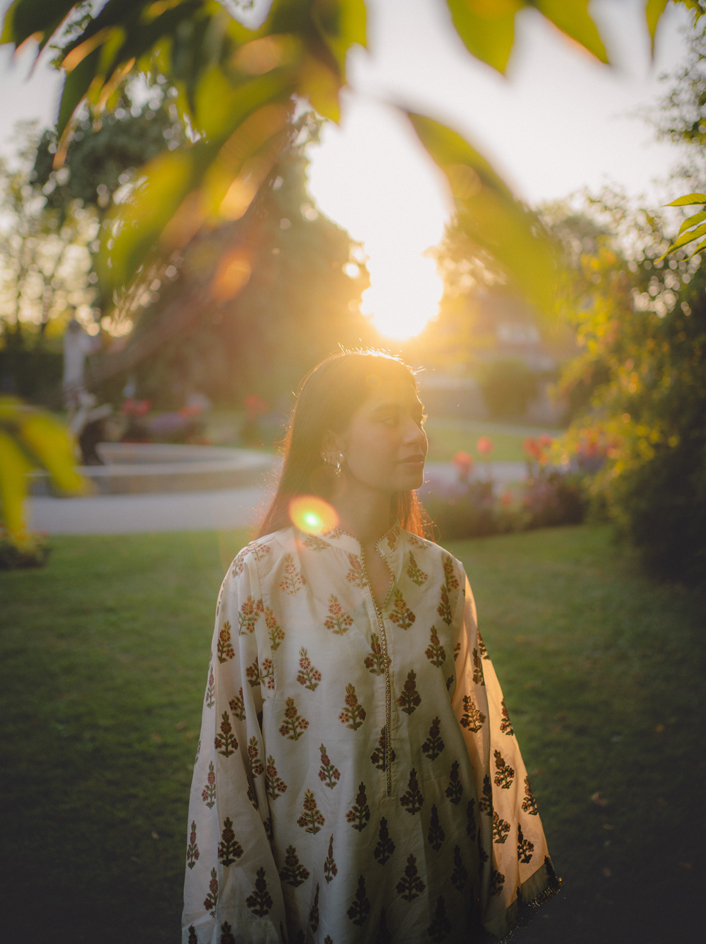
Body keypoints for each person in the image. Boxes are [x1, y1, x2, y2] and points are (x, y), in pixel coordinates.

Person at [182, 350, 560, 944]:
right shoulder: (262, 577)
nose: (417, 436)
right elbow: (229, 762)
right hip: (318, 885)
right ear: (333, 441)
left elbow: (476, 733)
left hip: (439, 875)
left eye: (419, 416)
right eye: (388, 420)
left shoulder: (442, 577)